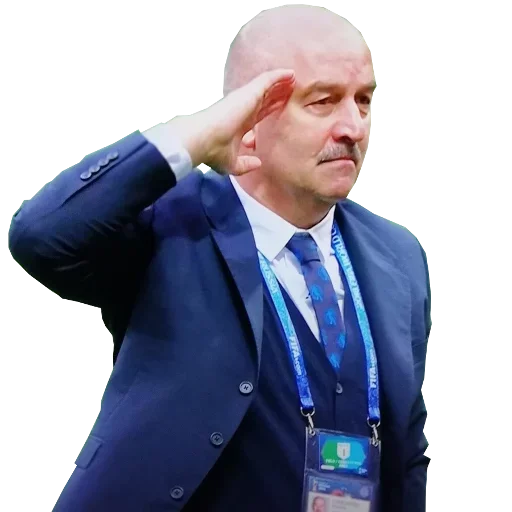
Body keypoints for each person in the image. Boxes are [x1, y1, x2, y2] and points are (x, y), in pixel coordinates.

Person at [8, 5, 430, 512]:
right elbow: (42, 238)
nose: (354, 128)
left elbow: (406, 453)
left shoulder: (397, 254)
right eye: (323, 101)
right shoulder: (172, 226)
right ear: (249, 114)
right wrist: (197, 137)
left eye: (363, 101)